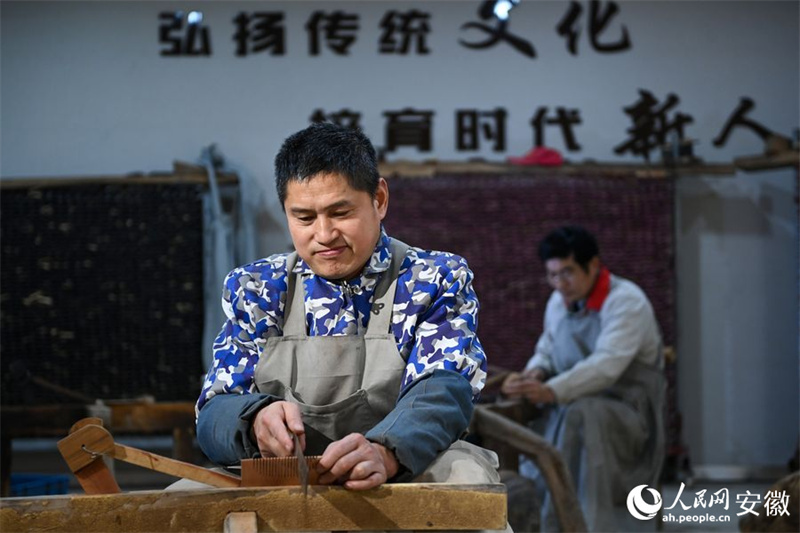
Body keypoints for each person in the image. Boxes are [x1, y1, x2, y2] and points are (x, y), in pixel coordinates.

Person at [194, 122, 505, 509]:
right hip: (287, 477)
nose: (323, 234)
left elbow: (442, 390)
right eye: (304, 218)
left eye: (340, 212)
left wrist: (386, 449)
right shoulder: (257, 287)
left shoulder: (433, 279)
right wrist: (253, 420)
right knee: (179, 505)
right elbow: (213, 412)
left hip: (408, 465)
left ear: (378, 198)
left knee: (467, 483)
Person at [501, 226, 665, 532]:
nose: (560, 284)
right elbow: (547, 350)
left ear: (593, 265)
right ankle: (552, 521)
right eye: (552, 275)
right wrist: (534, 372)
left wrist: (550, 390)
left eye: (567, 273)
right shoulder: (557, 302)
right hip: (569, 408)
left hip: (627, 418)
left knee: (583, 414)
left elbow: (606, 365)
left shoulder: (627, 302)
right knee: (566, 416)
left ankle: (587, 526)